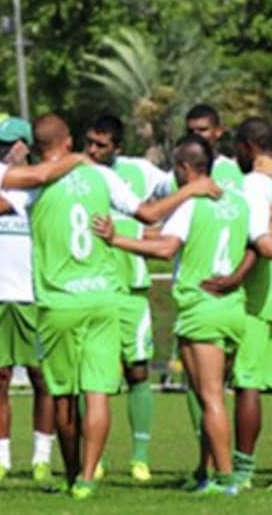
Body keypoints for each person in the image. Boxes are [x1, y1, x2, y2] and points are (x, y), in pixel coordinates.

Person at [0, 113, 219, 499]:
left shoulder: (33, 182)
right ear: (68, 141)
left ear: (38, 147)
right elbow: (149, 213)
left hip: (58, 302)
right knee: (97, 393)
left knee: (64, 395)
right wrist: (192, 190)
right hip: (103, 297)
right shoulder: (101, 176)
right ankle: (88, 476)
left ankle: (73, 474)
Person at [94, 134, 269, 495]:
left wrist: (117, 240)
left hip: (200, 305)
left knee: (210, 397)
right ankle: (214, 474)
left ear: (186, 168)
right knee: (215, 394)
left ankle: (224, 479)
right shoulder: (238, 201)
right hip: (233, 307)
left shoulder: (191, 204)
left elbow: (165, 248)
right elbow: (261, 244)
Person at [83, 113, 168, 481]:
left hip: (132, 288)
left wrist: (160, 232)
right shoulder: (78, 172)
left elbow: (174, 192)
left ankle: (140, 456)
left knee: (137, 371)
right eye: (90, 142)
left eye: (101, 144)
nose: (93, 150)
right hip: (93, 287)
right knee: (93, 379)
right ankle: (94, 458)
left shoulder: (141, 172)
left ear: (118, 146)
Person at [0, 117, 55, 484]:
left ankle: (41, 457)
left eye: (10, 144)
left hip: (32, 294)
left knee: (42, 377)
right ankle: (1, 460)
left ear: (26, 145)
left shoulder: (41, 186)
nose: (3, 151)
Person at [199, 117, 272, 489]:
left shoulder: (254, 185)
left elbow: (262, 244)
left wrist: (235, 278)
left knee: (248, 384)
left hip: (261, 301)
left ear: (246, 147)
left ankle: (241, 472)